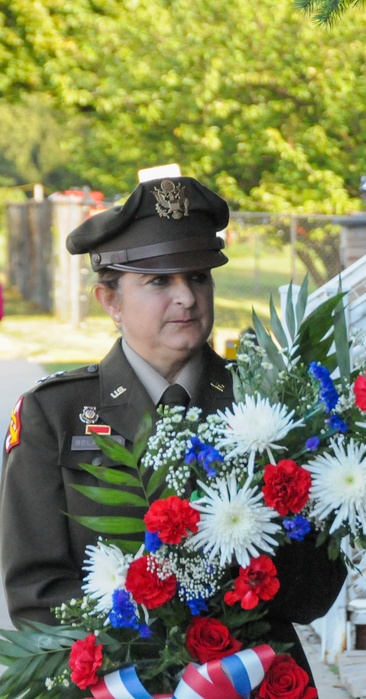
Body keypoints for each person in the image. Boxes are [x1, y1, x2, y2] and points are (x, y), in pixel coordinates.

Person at [0, 176, 342, 672]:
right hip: (117, 683)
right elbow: (36, 595)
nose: (185, 297)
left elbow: (314, 590)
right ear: (110, 301)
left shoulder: (269, 401)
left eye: (198, 277)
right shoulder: (55, 413)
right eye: (159, 281)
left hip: (254, 676)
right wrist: (153, 662)